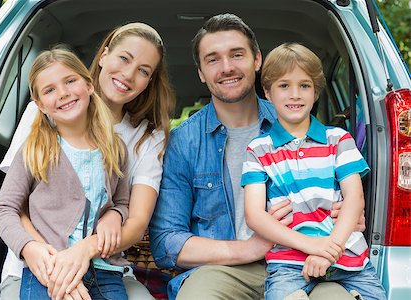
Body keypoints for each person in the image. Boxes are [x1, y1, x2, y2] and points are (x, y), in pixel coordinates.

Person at [149, 13, 365, 299]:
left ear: (257, 60)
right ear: (201, 72)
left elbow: (348, 198)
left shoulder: (297, 117)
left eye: (237, 54)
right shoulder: (183, 142)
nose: (227, 67)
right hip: (229, 270)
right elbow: (167, 243)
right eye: (213, 59)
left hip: (309, 260)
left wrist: (347, 219)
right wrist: (251, 247)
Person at [0, 23, 175, 300]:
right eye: (124, 58)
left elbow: (134, 216)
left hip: (104, 267)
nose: (128, 74)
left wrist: (98, 234)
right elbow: (12, 206)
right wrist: (55, 265)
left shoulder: (134, 142)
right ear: (103, 56)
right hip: (35, 265)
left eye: (143, 71)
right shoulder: (41, 120)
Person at [242, 42, 386, 300]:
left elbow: (354, 200)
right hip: (289, 263)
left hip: (348, 255)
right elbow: (254, 216)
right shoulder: (258, 150)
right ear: (267, 92)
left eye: (305, 85)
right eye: (284, 86)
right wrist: (313, 247)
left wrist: (330, 249)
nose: (295, 94)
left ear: (316, 92)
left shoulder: (339, 140)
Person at [0, 48, 130, 299]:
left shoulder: (115, 147)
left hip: (103, 270)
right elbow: (4, 209)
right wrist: (29, 247)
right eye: (49, 90)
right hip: (48, 268)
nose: (63, 93)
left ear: (89, 85)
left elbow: (121, 202)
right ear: (40, 105)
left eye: (70, 81)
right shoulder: (35, 149)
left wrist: (115, 214)